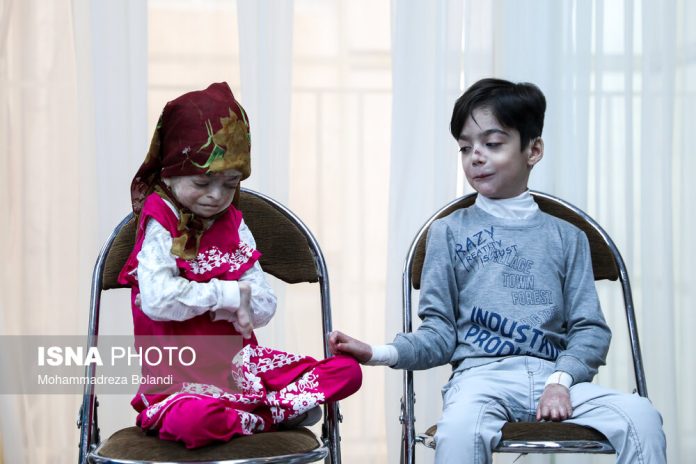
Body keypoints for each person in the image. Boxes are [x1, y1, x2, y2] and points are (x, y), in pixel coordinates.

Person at [330, 78, 666, 463]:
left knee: (641, 417)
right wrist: (377, 352)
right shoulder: (447, 233)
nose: (476, 156)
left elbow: (590, 329)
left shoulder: (567, 237)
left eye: (492, 143)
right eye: (465, 147)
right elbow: (439, 334)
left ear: (533, 150)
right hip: (480, 381)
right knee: (459, 430)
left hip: (556, 378)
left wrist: (560, 381)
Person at [117, 82, 361, 449]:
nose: (216, 196)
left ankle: (252, 410)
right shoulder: (160, 221)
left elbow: (263, 305)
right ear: (170, 172)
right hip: (178, 382)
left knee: (347, 371)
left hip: (240, 368)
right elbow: (158, 300)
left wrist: (242, 299)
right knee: (194, 422)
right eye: (202, 182)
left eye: (230, 184)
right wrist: (229, 295)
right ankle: (268, 415)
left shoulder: (233, 223)